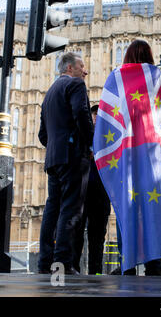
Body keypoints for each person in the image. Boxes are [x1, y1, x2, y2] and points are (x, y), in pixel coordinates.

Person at [38, 52, 93, 275]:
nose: (85, 71)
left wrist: (55, 145)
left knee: (52, 209)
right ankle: (62, 264)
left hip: (53, 159)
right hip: (72, 156)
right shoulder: (76, 85)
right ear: (70, 68)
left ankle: (44, 263)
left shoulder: (49, 93)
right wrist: (89, 144)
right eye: (82, 66)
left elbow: (42, 135)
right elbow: (81, 113)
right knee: (70, 210)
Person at [72, 104, 112, 275]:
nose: (96, 117)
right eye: (94, 114)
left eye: (99, 114)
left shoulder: (108, 138)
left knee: (98, 235)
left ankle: (95, 272)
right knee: (77, 232)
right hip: (82, 191)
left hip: (101, 192)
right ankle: (73, 268)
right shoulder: (81, 134)